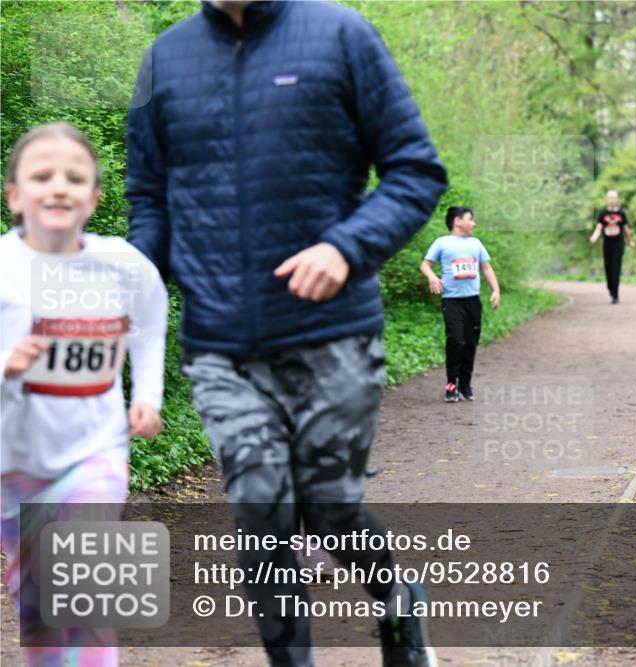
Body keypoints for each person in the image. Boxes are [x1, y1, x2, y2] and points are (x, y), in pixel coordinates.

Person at [126, 2, 447, 666]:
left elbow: (415, 171)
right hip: (220, 345)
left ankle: (397, 597)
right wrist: (123, 286)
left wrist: (346, 247)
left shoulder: (341, 34)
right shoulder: (165, 58)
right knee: (262, 512)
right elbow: (149, 199)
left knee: (329, 511)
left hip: (333, 336)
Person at [1, 122, 167, 666]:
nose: (58, 186)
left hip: (94, 453)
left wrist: (147, 395)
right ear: (15, 194)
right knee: (41, 610)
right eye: (42, 175)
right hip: (12, 468)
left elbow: (149, 323)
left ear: (94, 198)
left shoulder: (121, 264)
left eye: (74, 177)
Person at [420, 206, 500, 403]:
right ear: (457, 221)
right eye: (470, 219)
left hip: (473, 301)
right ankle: (451, 384)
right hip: (452, 301)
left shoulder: (476, 243)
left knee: (471, 343)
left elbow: (487, 268)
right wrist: (432, 276)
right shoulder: (442, 243)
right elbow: (425, 264)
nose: (473, 223)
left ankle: (465, 385)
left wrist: (496, 290)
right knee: (456, 340)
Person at [589, 190, 634, 304]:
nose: (612, 200)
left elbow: (625, 229)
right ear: (607, 199)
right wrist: (594, 237)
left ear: (617, 199)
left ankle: (616, 295)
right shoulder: (603, 213)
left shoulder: (621, 213)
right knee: (608, 268)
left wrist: (630, 241)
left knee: (616, 268)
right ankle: (610, 288)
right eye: (610, 198)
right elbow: (599, 228)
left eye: (614, 198)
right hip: (607, 244)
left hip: (618, 244)